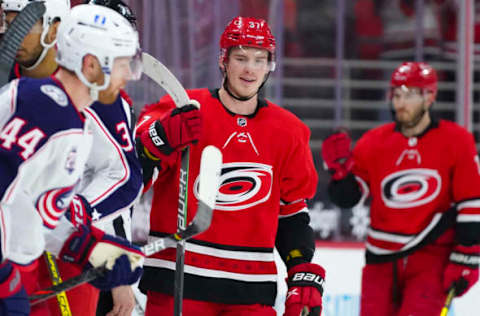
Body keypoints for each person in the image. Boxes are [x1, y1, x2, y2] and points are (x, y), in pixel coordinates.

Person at [135, 16, 325, 316]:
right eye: (241, 58)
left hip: (250, 290)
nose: (250, 68)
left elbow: (291, 213)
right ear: (223, 61)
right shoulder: (185, 110)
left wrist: (302, 270)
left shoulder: (288, 130)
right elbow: (133, 174)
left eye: (259, 59)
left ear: (269, 66)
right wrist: (158, 138)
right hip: (178, 282)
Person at [0, 3, 144, 315]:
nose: (128, 76)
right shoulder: (42, 108)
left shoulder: (72, 118)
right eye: (121, 64)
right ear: (92, 65)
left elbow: (35, 208)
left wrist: (88, 247)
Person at [321, 61, 480, 316]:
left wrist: (466, 256)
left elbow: (471, 203)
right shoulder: (373, 142)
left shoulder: (457, 141)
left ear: (430, 96)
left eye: (409, 94)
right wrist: (339, 175)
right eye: (396, 94)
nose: (400, 102)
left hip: (431, 257)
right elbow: (351, 198)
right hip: (379, 260)